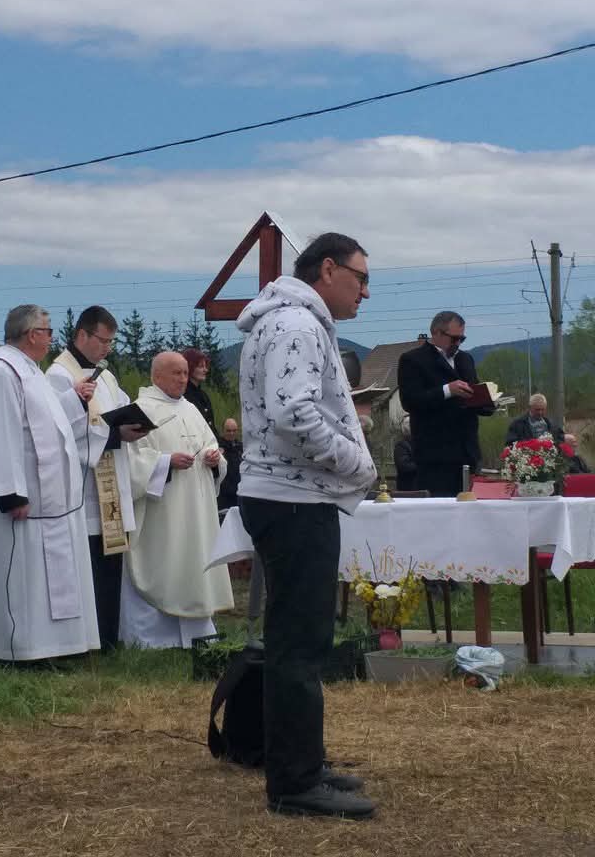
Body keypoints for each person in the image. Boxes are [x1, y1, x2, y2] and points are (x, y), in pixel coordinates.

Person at [237, 232, 377, 820]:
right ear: (327, 269)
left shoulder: (290, 321)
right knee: (300, 642)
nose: (365, 292)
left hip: (291, 495)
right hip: (293, 499)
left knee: (301, 638)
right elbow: (293, 414)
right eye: (360, 278)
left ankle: (302, 763)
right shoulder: (296, 324)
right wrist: (354, 462)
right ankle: (294, 783)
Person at [0, 305, 100, 665]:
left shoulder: (29, 370)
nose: (51, 339)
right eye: (48, 331)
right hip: (23, 501)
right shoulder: (0, 372)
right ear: (32, 334)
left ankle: (50, 648)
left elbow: (45, 422)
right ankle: (19, 650)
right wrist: (11, 493)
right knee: (24, 579)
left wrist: (73, 399)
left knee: (45, 577)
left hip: (50, 502)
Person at [46, 306, 152, 650]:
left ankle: (108, 637)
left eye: (111, 342)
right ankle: (86, 640)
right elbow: (60, 433)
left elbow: (119, 410)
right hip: (82, 487)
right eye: (103, 340)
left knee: (109, 566)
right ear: (82, 335)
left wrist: (131, 426)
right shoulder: (59, 376)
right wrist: (116, 434)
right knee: (87, 566)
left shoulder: (104, 376)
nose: (107, 348)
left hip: (110, 484)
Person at [119, 352, 234, 649]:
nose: (183, 379)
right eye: (176, 373)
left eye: (185, 373)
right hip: (164, 511)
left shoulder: (191, 409)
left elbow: (210, 444)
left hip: (196, 505)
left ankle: (197, 631)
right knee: (167, 562)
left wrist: (213, 458)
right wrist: (165, 462)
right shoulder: (141, 410)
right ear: (157, 376)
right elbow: (130, 462)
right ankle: (155, 639)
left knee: (194, 559)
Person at [397, 312, 495, 498]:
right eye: (454, 338)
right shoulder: (413, 360)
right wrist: (447, 390)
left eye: (462, 339)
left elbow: (472, 392)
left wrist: (486, 400)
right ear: (436, 332)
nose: (458, 343)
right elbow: (410, 401)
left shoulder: (465, 359)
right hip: (435, 456)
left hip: (468, 452)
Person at [182, 347, 216, 436]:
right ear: (190, 368)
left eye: (205, 366)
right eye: (201, 366)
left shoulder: (204, 395)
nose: (205, 370)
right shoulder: (182, 396)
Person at [217, 417, 242, 512]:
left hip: (239, 493)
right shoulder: (217, 448)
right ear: (223, 431)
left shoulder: (241, 447)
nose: (231, 433)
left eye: (234, 430)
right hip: (223, 496)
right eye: (228, 431)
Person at [394, 415, 418, 491]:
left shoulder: (419, 443)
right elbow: (404, 466)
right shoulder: (401, 446)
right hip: (408, 488)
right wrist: (423, 465)